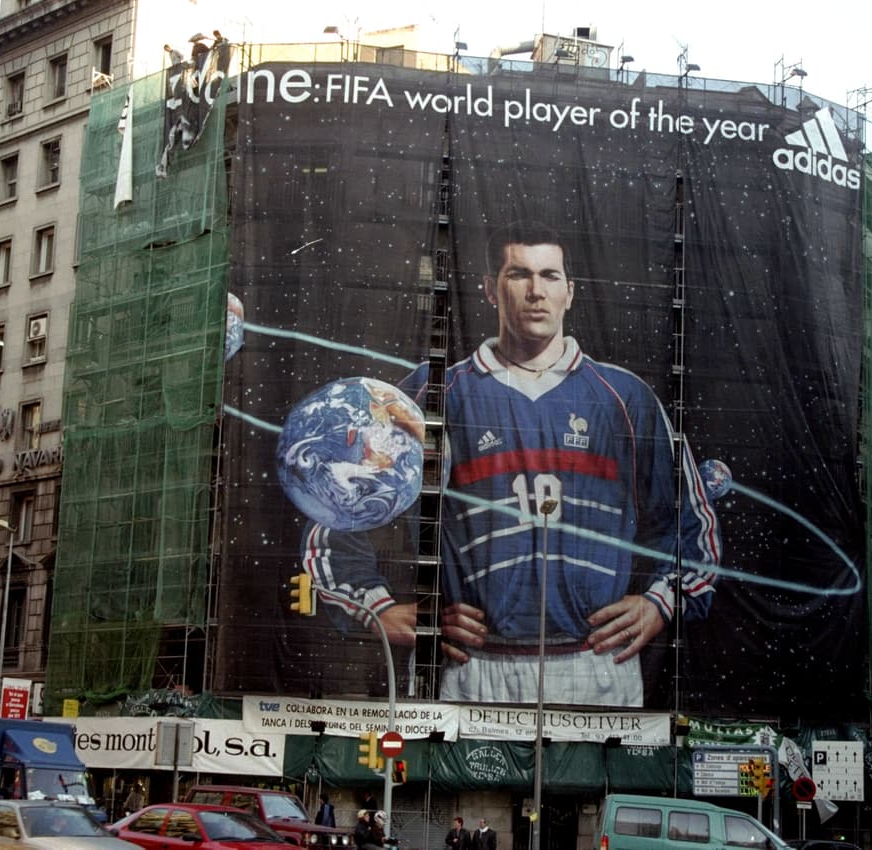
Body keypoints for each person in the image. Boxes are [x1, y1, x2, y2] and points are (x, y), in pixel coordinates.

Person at [300, 220, 721, 707]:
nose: (536, 291)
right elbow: (332, 503)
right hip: (471, 665)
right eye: (519, 274)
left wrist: (661, 601)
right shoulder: (432, 391)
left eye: (550, 276)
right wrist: (379, 607)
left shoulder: (625, 398)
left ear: (571, 292)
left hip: (595, 664)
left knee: (591, 787)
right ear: (490, 289)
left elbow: (695, 522)